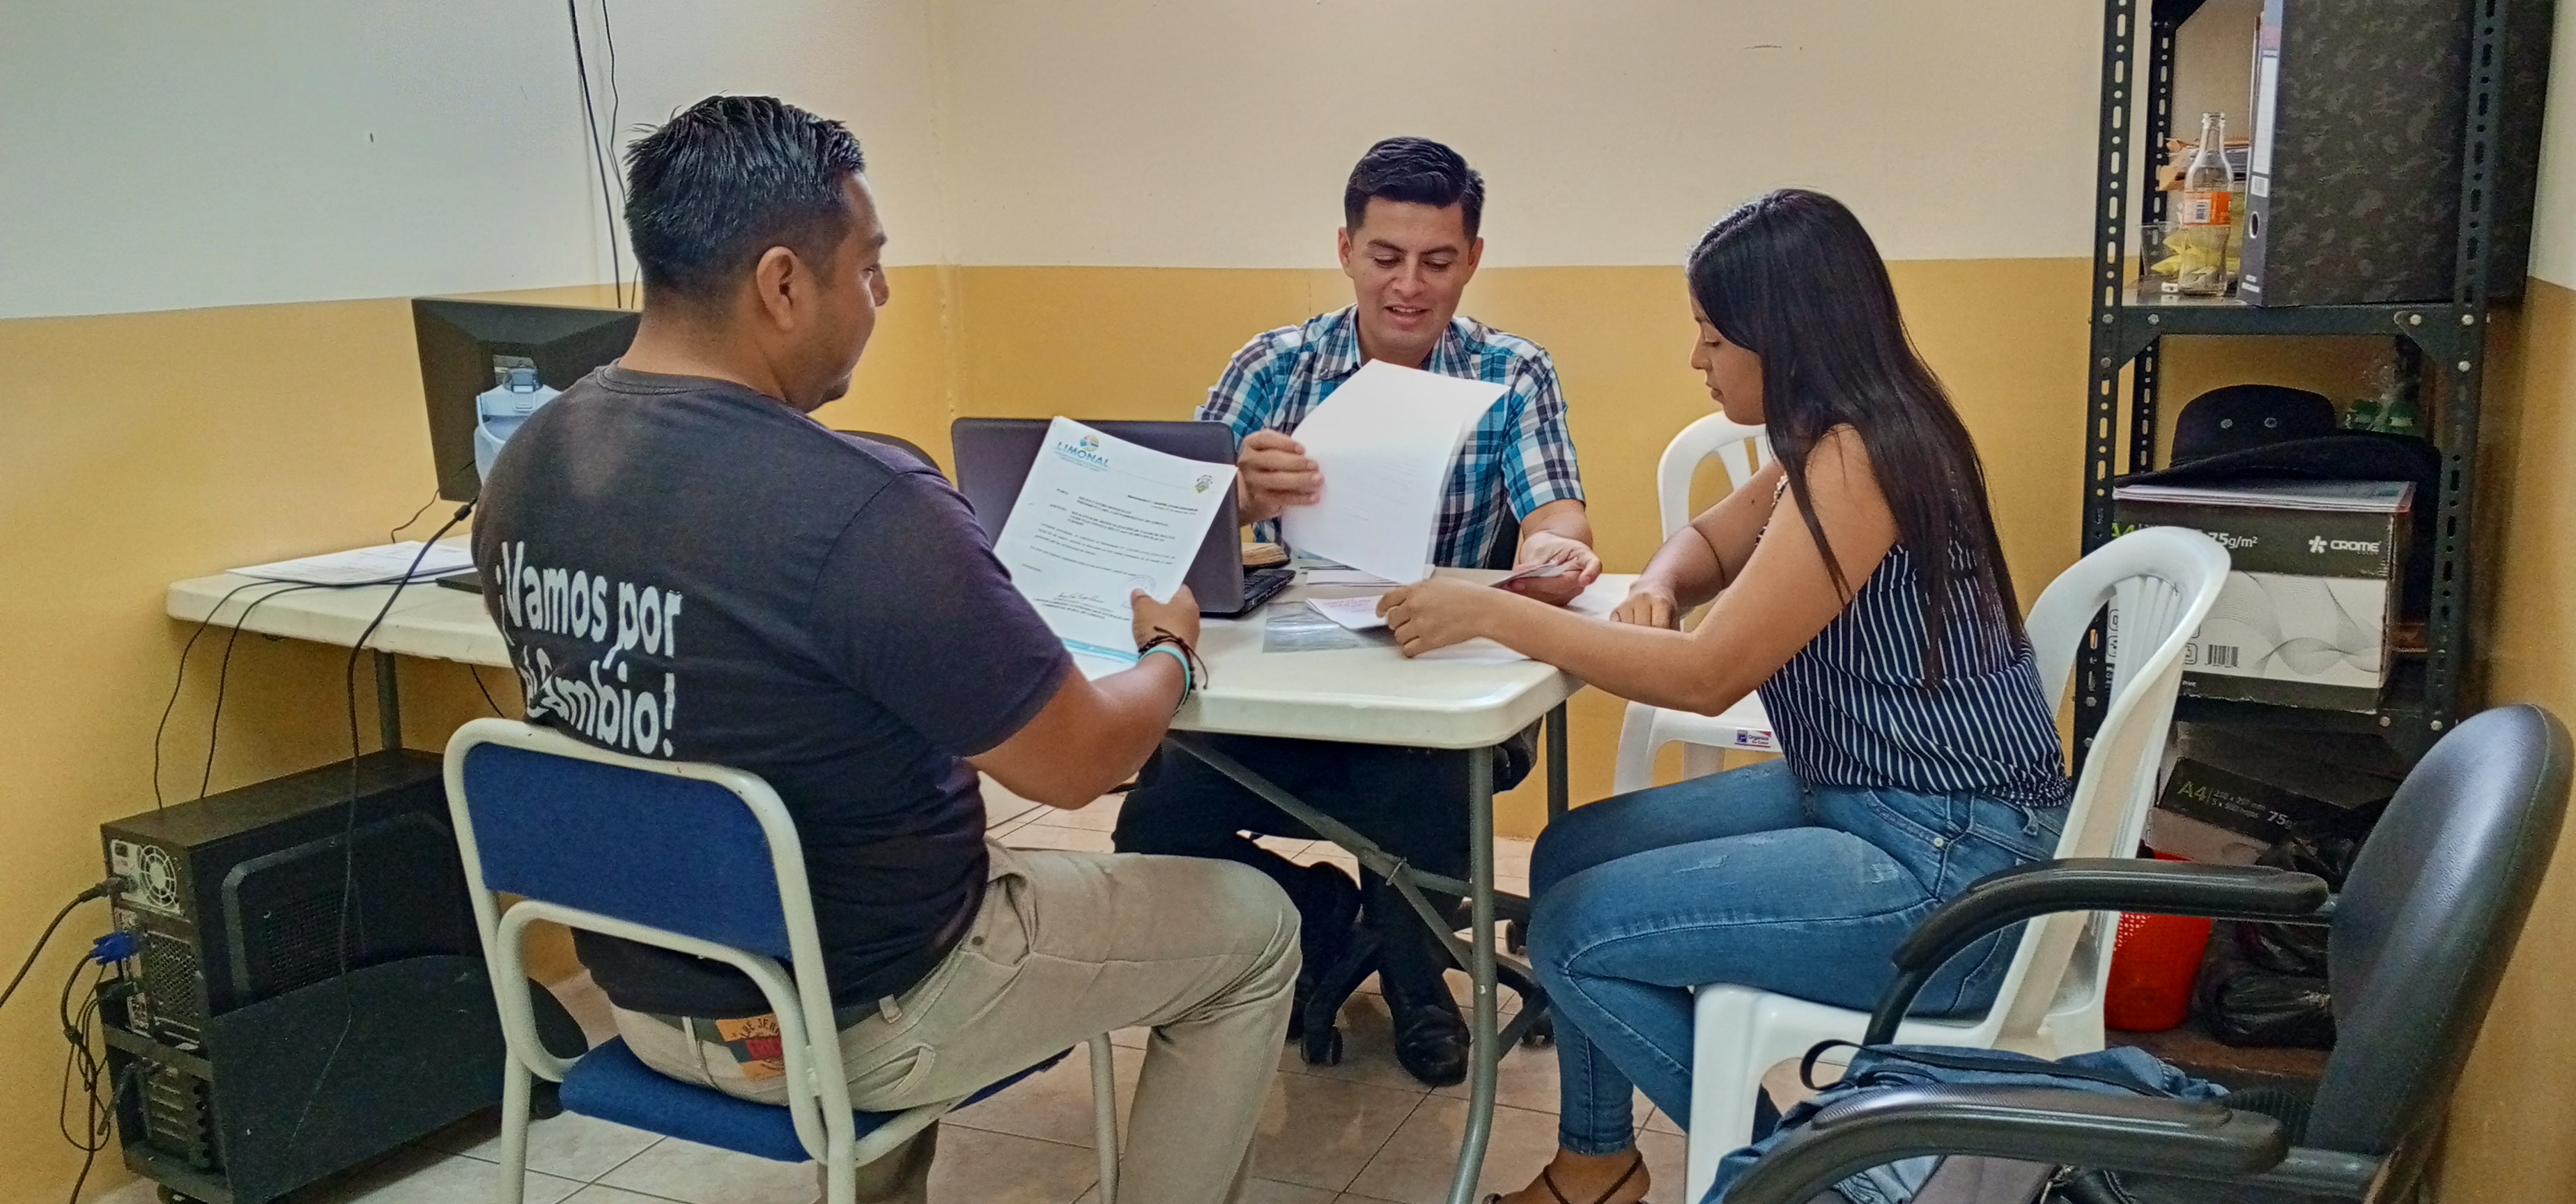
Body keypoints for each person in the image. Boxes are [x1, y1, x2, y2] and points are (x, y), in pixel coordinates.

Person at [471, 95, 1299, 1204]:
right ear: (782, 284)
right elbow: (1079, 764)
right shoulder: (862, 502)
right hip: (861, 1014)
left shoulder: (526, 464)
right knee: (1256, 928)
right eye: (868, 267)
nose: (884, 294)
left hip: (647, 997)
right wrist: (1173, 656)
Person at [1375, 190, 2072, 1204]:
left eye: (1711, 336)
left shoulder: (1859, 458)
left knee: (1577, 932)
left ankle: (1812, 1183)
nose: (1697, 359)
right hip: (1880, 801)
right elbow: (1706, 541)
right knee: (1569, 855)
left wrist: (1491, 612)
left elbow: (1708, 678)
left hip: (1952, 871)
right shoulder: (1832, 436)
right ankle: (1598, 1164)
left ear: (1781, 339)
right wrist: (1661, 586)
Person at [1111, 137, 1600, 1086]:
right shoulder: (1276, 365)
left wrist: (1552, 548)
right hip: (1282, 686)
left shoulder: (1512, 370)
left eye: (1438, 261)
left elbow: (1555, 509)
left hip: (1431, 683)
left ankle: (1420, 982)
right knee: (1155, 827)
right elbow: (1167, 529)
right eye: (1386, 257)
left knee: (1422, 803)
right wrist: (1238, 497)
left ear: (1473, 259)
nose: (1409, 286)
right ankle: (1318, 918)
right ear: (1345, 250)